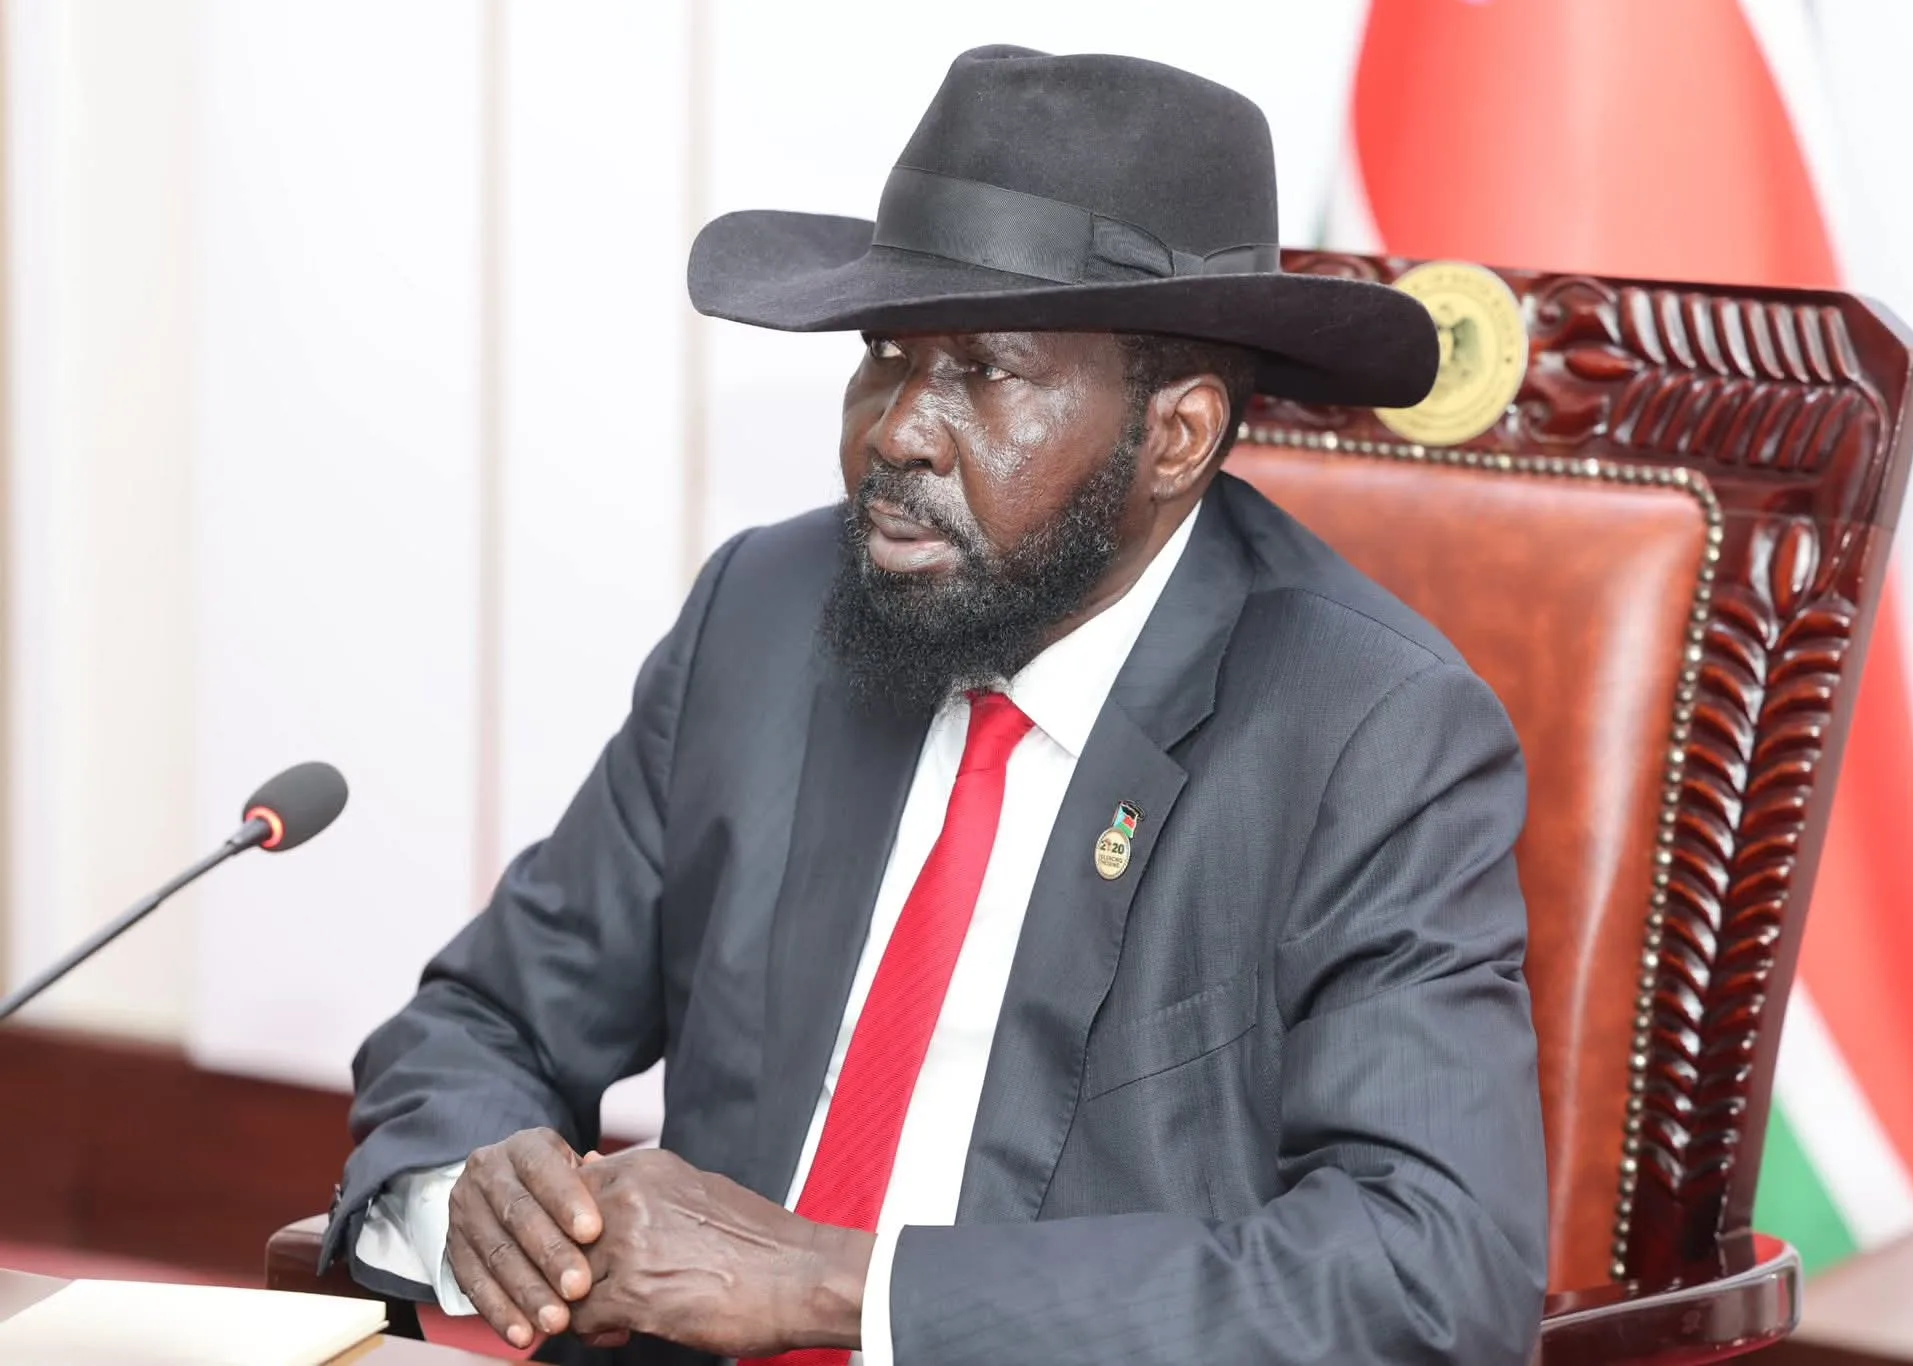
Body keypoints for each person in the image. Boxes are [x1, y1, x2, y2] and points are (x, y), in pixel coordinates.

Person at [326, 44, 1547, 1366]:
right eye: (889, 355)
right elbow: (483, 1020)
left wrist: (841, 1287)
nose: (898, 430)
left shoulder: (1371, 733)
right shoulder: (767, 614)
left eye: (983, 370)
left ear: (1177, 437)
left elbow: (1429, 1269)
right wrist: (482, 1202)